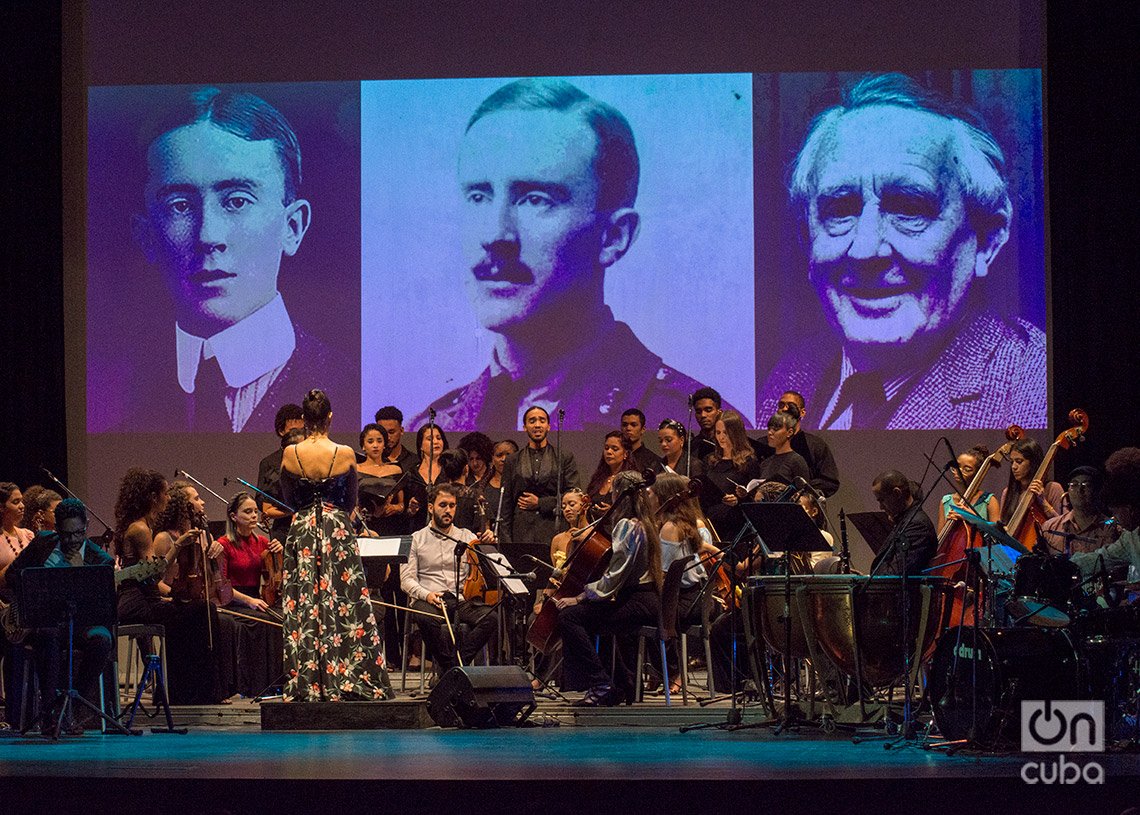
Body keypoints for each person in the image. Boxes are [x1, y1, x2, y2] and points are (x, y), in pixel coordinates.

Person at [410, 77, 722, 433]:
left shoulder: (694, 427)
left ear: (613, 237)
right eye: (478, 196)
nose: (495, 235)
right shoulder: (427, 430)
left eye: (536, 200)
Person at [756, 72, 1046, 430]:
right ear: (806, 237)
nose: (865, 251)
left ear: (986, 239)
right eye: (841, 209)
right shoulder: (791, 374)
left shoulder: (1031, 390)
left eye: (908, 207)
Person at [124, 87, 356, 432]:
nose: (208, 236)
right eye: (180, 206)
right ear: (146, 236)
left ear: (292, 227)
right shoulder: (126, 414)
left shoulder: (351, 390)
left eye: (237, 201)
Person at [277, 389, 393, 701]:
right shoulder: (343, 453)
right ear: (330, 417)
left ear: (303, 419)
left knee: (306, 600)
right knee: (343, 599)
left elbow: (289, 500)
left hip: (302, 530)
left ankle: (309, 679)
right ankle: (346, 674)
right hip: (336, 528)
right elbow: (350, 500)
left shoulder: (291, 454)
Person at [113, 468, 229, 705]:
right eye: (165, 494)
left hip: (145, 599)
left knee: (196, 610)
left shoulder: (141, 525)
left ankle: (185, 690)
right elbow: (151, 571)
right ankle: (187, 691)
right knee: (200, 611)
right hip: (137, 603)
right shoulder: (141, 529)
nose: (168, 499)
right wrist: (177, 546)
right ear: (153, 498)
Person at [0, 500, 115, 735]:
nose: (73, 540)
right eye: (66, 534)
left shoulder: (101, 560)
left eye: (78, 533)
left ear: (87, 526)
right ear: (57, 530)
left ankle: (72, 706)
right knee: (49, 635)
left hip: (81, 625)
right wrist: (22, 605)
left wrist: (80, 572)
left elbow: (103, 608)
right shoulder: (43, 543)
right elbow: (12, 576)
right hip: (43, 624)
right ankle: (49, 712)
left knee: (102, 639)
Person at [554, 471, 662, 705]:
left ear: (620, 495)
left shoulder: (626, 525)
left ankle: (601, 684)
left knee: (570, 617)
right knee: (592, 617)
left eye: (613, 492)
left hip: (637, 601)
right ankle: (620, 685)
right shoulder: (646, 521)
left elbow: (615, 575)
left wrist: (582, 596)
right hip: (646, 599)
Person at [400, 484, 499, 673]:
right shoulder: (415, 539)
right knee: (425, 619)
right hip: (429, 599)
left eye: (452, 506)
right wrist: (427, 595)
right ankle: (452, 668)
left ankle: (451, 667)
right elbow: (406, 580)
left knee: (490, 618)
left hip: (460, 599)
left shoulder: (467, 537)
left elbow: (485, 571)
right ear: (430, 508)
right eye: (443, 505)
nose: (448, 510)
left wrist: (488, 546)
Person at [215, 491, 285, 696]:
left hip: (257, 597)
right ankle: (252, 686)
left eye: (255, 511)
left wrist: (279, 552)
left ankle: (274, 684)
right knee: (260, 623)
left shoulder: (263, 542)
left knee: (280, 620)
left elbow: (275, 573)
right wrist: (248, 601)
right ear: (233, 516)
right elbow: (223, 587)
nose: (254, 515)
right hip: (233, 601)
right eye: (247, 511)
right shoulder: (223, 544)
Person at [500, 406, 580, 544]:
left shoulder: (563, 457)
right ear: (524, 427)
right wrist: (507, 541)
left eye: (542, 421)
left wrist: (540, 503)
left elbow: (573, 495)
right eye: (532, 421)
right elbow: (506, 504)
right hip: (521, 533)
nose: (537, 425)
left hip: (553, 531)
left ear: (548, 426)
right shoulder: (513, 460)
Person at [1070, 448, 1140, 579]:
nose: (1115, 519)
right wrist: (1062, 565)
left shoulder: (1132, 538)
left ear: (1129, 509)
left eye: (1116, 512)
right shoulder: (1131, 538)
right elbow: (1100, 559)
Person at [700, 411, 762, 541]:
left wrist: (739, 499)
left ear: (736, 433)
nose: (721, 437)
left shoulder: (749, 462)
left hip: (734, 527)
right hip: (710, 523)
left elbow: (753, 502)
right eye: (718, 432)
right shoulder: (710, 460)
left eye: (726, 433)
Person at [766, 391, 840, 497]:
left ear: (802, 412)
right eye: (781, 405)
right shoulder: (765, 443)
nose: (785, 409)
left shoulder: (815, 445)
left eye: (791, 406)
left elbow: (829, 481)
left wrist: (802, 490)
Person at [868, 471, 937, 576]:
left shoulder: (918, 525)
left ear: (897, 493)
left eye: (882, 500)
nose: (881, 507)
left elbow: (896, 573)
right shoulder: (906, 520)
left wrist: (867, 581)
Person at [1039, 466, 1119, 555]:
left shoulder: (1110, 527)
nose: (1079, 490)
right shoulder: (1050, 527)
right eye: (1074, 485)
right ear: (1068, 490)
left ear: (1097, 491)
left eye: (1087, 485)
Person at [257, 404, 305, 543]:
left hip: (310, 527)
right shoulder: (270, 463)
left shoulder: (312, 458)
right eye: (294, 430)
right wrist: (295, 511)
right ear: (281, 431)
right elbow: (267, 509)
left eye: (303, 430)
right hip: (284, 532)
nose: (299, 435)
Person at [356, 423, 407, 537]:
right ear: (363, 446)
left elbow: (402, 504)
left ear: (384, 444)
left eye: (379, 441)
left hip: (392, 524)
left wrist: (394, 507)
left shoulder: (396, 469)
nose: (375, 445)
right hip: (365, 524)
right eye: (370, 441)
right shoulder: (356, 468)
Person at [999, 438, 1064, 527]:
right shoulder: (1007, 493)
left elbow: (1063, 527)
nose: (1013, 467)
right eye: (1011, 462)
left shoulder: (1053, 488)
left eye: (1019, 462)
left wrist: (1043, 502)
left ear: (1032, 463)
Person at [936, 444, 1000, 534]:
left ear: (978, 473)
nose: (959, 471)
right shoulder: (946, 501)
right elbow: (939, 538)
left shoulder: (989, 501)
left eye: (967, 469)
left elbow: (998, 536)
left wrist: (973, 519)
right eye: (957, 466)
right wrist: (949, 524)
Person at [584, 431, 635, 524]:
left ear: (625, 454)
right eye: (606, 448)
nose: (609, 452)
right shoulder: (598, 478)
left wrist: (614, 513)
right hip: (594, 532)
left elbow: (636, 513)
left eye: (615, 449)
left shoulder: (630, 480)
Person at [756, 412, 811, 487]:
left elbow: (804, 493)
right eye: (769, 429)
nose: (770, 433)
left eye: (776, 429)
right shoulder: (765, 463)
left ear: (789, 432)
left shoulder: (796, 461)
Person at [482, 439, 519, 541]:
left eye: (508, 455)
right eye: (499, 455)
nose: (504, 459)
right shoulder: (482, 487)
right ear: (492, 459)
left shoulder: (520, 485)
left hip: (516, 539)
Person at [0, 483, 33, 571]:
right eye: (16, 502)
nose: (22, 506)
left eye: (21, 501)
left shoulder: (28, 534)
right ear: (1, 507)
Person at [374, 406, 418, 473]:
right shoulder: (369, 461)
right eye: (383, 432)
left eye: (391, 432)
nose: (388, 437)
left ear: (401, 430)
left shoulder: (415, 462)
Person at [621, 409, 662, 473]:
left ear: (643, 429)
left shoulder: (654, 462)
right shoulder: (614, 456)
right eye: (624, 425)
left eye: (633, 425)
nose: (628, 428)